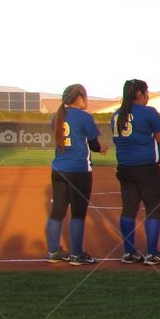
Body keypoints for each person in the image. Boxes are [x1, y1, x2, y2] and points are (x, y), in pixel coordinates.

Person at [45, 84, 107, 266]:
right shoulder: (85, 117)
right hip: (78, 170)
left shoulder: (57, 117)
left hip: (58, 169)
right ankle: (77, 254)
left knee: (57, 212)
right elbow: (94, 145)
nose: (87, 100)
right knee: (78, 214)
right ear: (79, 97)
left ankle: (53, 251)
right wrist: (101, 148)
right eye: (85, 96)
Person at [111, 79, 160, 265]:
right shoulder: (148, 112)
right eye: (146, 92)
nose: (148, 95)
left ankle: (129, 252)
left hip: (125, 168)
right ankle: (152, 253)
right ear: (139, 93)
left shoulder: (116, 115)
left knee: (128, 210)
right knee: (152, 210)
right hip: (147, 169)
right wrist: (159, 126)